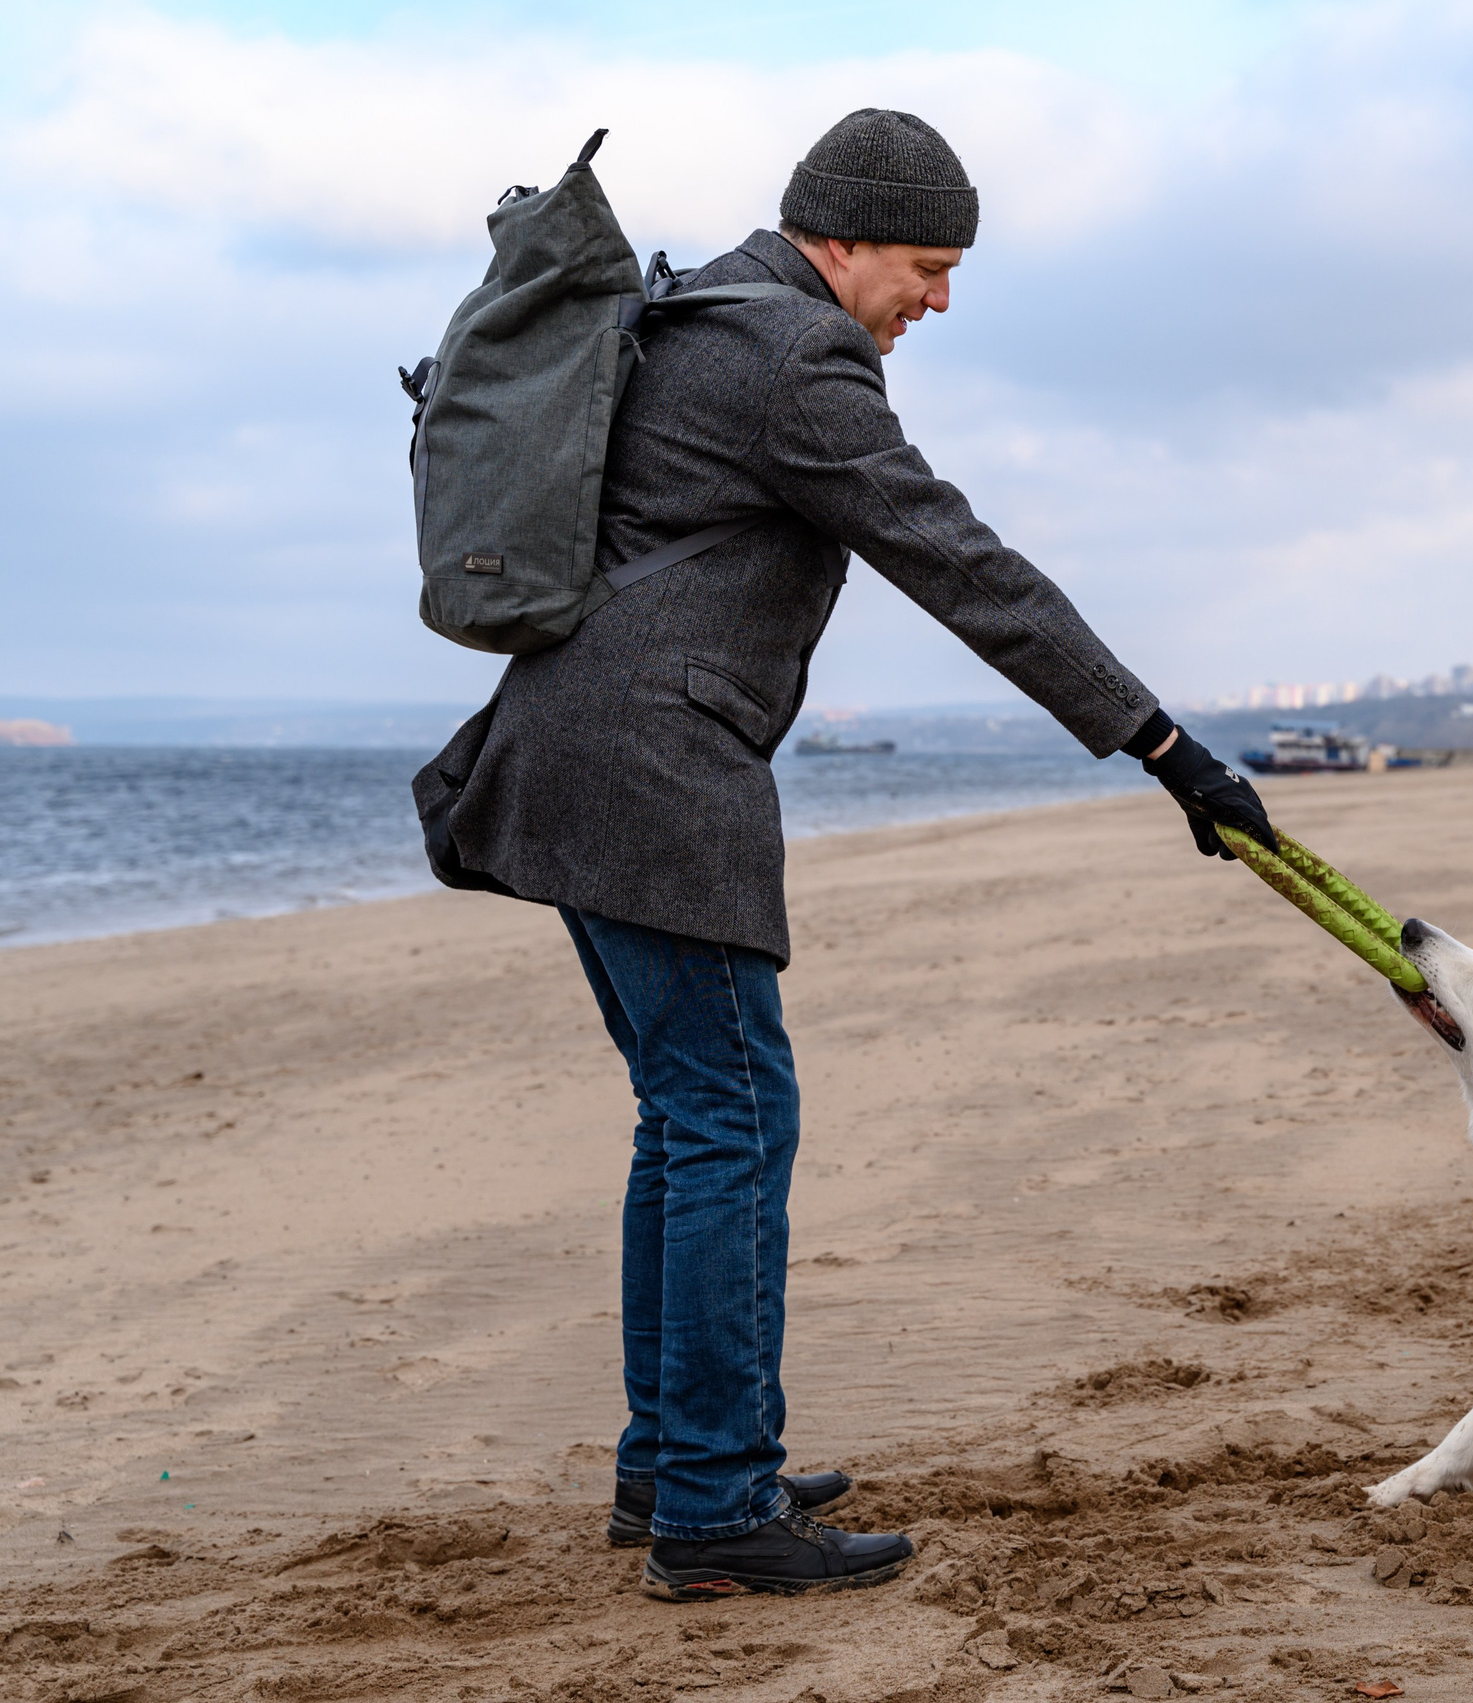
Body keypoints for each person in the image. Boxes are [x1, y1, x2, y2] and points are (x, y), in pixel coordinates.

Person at [419, 109, 1276, 1600]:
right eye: (927, 267)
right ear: (843, 237)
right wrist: (1161, 747)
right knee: (731, 1120)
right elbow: (961, 564)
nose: (936, 301)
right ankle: (712, 1510)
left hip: (566, 747)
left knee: (686, 1121)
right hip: (650, 769)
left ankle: (677, 1463)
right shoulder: (793, 357)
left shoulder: (694, 313)